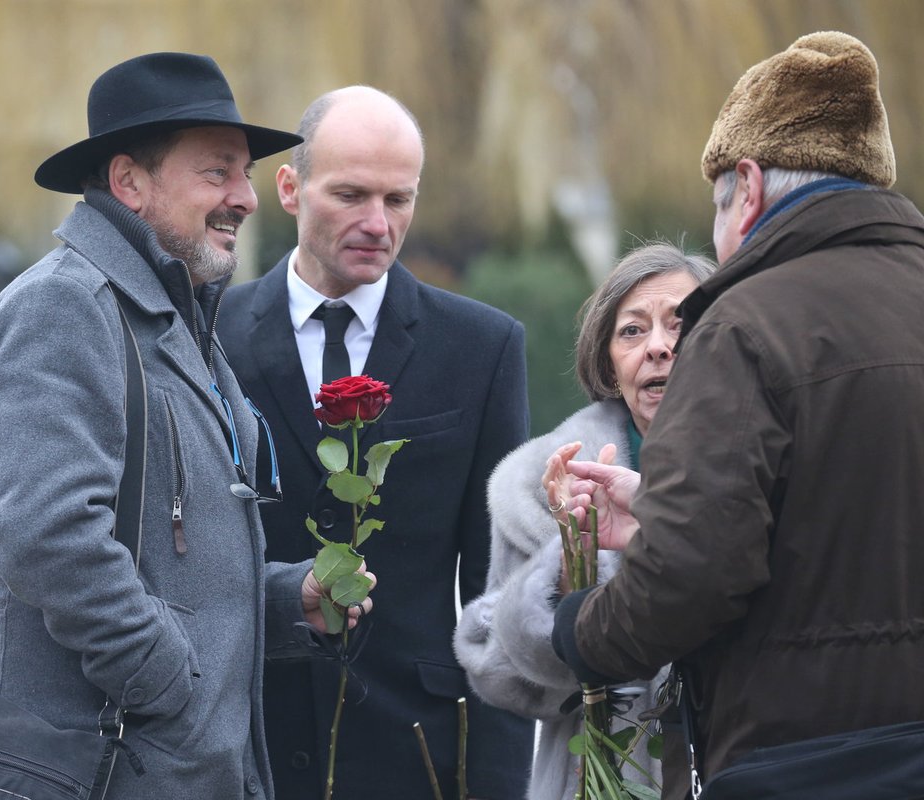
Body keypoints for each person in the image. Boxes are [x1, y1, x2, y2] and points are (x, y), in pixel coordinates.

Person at [0, 52, 373, 800]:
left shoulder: (170, 318)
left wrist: (287, 603)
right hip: (105, 772)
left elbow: (176, 562)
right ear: (129, 183)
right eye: (217, 173)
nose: (247, 198)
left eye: (245, 174)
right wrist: (168, 681)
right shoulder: (65, 308)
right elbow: (48, 538)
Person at [548, 31, 924, 799]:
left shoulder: (743, 325)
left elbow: (692, 580)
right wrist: (659, 505)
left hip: (802, 759)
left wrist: (579, 628)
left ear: (745, 188)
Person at [217, 86, 534, 799]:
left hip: (417, 756)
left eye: (399, 199)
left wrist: (498, 784)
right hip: (244, 749)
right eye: (352, 195)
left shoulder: (482, 348)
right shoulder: (207, 339)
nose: (378, 223)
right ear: (290, 189)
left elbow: (499, 594)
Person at [454, 242, 714, 799]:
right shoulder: (544, 482)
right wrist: (573, 565)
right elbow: (493, 666)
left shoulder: (765, 464)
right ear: (607, 362)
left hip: (741, 765)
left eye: (681, 325)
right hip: (599, 778)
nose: (659, 348)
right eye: (632, 331)